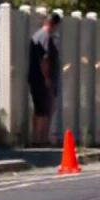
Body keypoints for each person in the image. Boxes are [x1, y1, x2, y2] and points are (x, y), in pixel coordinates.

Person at [28, 12, 62, 145]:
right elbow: (44, 60)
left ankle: (42, 137)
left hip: (41, 78)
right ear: (53, 24)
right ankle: (38, 138)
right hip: (41, 79)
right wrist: (47, 78)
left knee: (45, 108)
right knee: (42, 108)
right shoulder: (43, 37)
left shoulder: (43, 36)